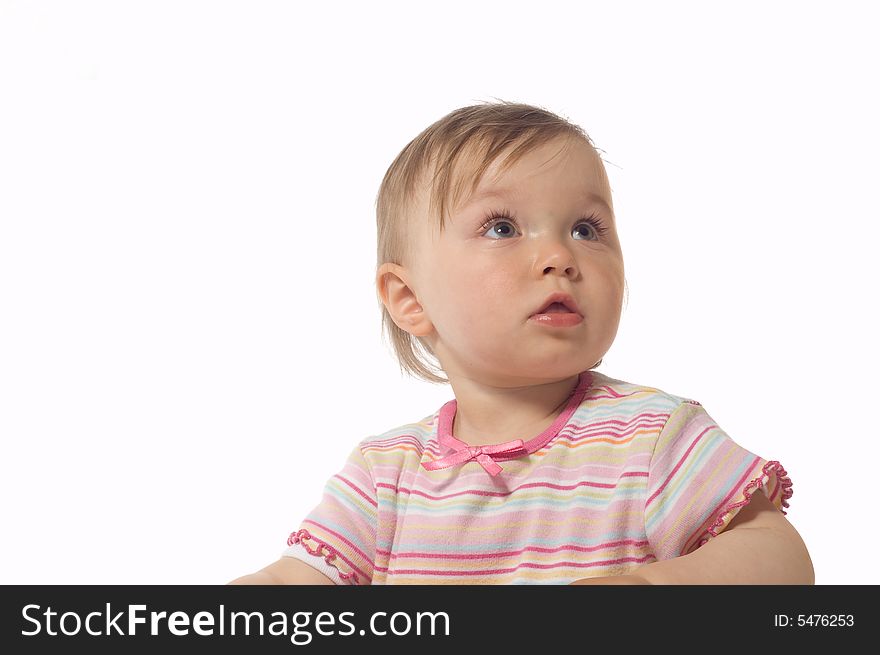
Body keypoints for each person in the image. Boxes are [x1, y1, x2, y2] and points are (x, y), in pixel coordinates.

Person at [228, 101, 813, 585]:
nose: (560, 257)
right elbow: (290, 584)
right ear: (411, 299)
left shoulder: (654, 437)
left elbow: (779, 557)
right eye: (502, 228)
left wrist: (651, 587)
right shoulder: (386, 475)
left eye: (586, 229)